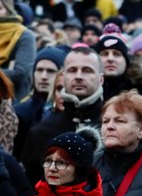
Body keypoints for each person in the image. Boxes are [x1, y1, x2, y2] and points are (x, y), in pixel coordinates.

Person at [21, 47, 105, 184]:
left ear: (101, 79)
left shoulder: (113, 129)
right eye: (72, 70)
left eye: (87, 70)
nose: (78, 76)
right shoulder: (40, 132)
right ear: (63, 76)